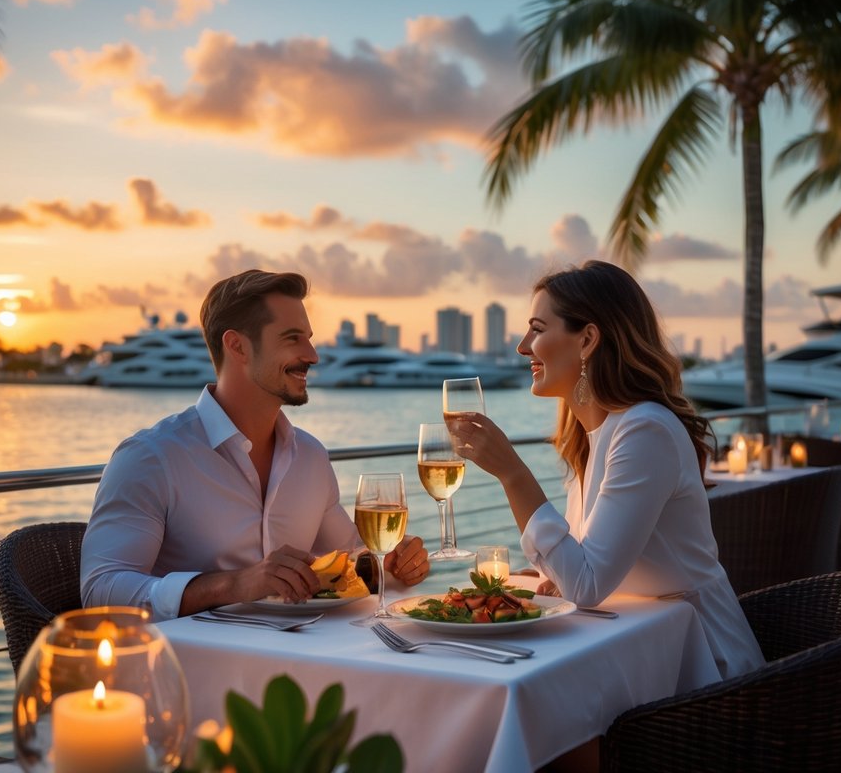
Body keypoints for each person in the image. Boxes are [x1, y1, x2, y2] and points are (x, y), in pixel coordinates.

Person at [447, 261, 764, 682]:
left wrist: (512, 473)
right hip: (638, 652)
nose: (523, 346)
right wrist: (546, 577)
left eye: (538, 329)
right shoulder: (594, 436)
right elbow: (586, 566)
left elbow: (588, 585)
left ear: (588, 340)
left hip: (704, 671)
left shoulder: (645, 430)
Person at [80, 269, 429, 619]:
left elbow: (351, 559)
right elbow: (101, 591)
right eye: (293, 338)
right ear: (238, 347)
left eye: (309, 338)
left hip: (306, 661)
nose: (312, 355)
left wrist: (395, 562)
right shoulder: (150, 457)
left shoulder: (310, 457)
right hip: (187, 668)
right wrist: (234, 585)